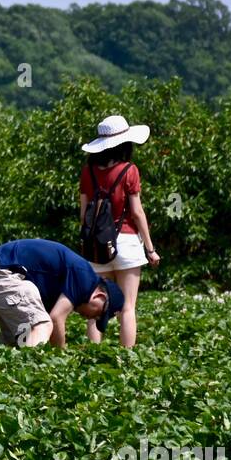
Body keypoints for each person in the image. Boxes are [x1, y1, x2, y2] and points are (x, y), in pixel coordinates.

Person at [80, 115, 160, 349]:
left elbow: (84, 214)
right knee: (127, 307)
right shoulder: (129, 170)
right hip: (125, 242)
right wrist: (150, 249)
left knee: (97, 305)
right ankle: (127, 358)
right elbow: (136, 213)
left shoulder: (88, 171)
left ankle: (93, 354)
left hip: (96, 246)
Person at [0, 238, 124, 348]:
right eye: (99, 314)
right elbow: (56, 319)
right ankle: (32, 376)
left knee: (20, 337)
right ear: (100, 297)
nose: (92, 318)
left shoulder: (67, 286)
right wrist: (60, 361)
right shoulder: (85, 277)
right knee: (43, 324)